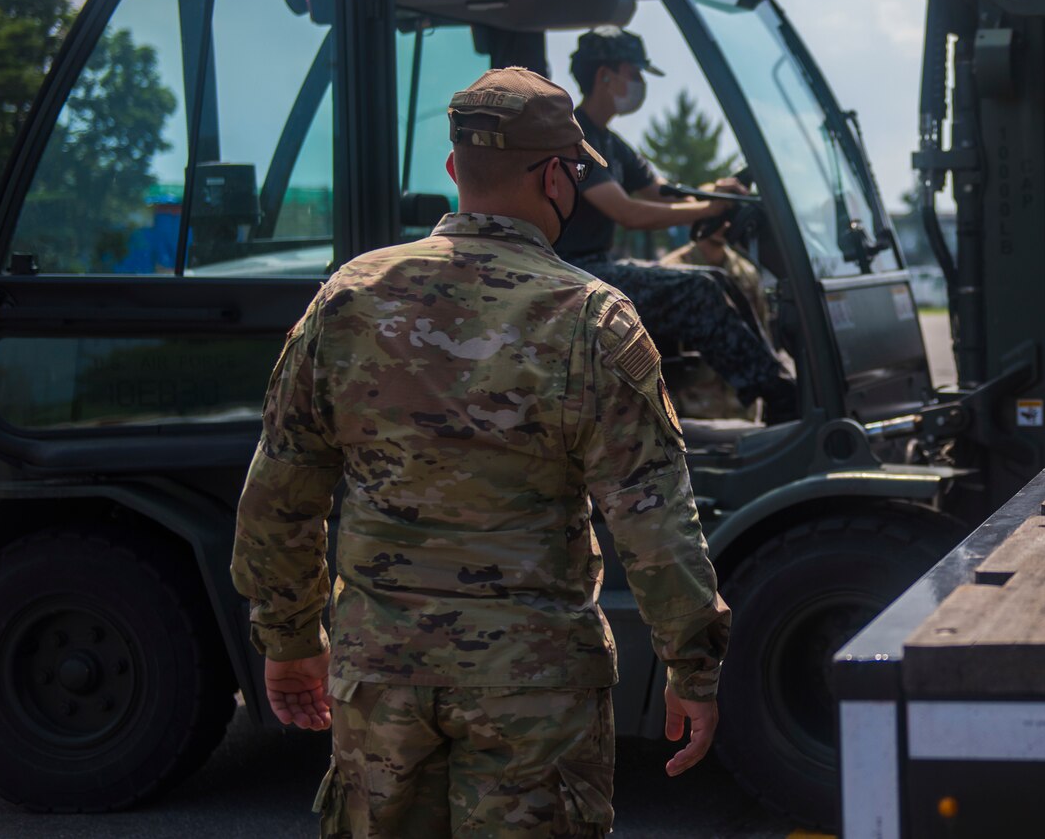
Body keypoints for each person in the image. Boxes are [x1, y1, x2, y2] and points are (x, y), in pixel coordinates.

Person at [230, 67, 731, 838]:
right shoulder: (590, 317)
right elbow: (654, 522)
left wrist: (292, 641)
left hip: (380, 682)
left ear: (456, 169)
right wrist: (691, 666)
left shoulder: (347, 299)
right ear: (558, 174)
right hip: (533, 693)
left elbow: (278, 498)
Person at [557, 26, 796, 421]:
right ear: (605, 76)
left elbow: (661, 192)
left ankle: (776, 386)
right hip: (573, 275)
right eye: (634, 74)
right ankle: (780, 399)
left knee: (717, 281)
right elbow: (628, 213)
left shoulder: (611, 142)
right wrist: (706, 210)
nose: (639, 84)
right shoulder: (576, 139)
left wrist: (716, 196)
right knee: (696, 289)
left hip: (595, 271)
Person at [660, 221, 770, 420]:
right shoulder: (673, 270)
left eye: (728, 218)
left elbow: (762, 330)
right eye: (714, 218)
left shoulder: (746, 272)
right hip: (693, 404)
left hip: (740, 404)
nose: (724, 225)